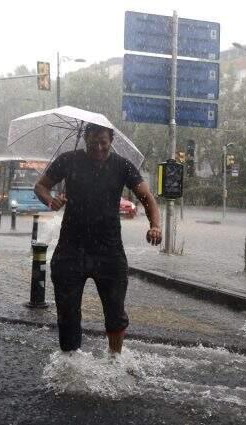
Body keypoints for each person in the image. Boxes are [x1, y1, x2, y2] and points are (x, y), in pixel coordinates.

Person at [34, 123, 162, 357]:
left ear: (111, 140)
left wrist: (155, 225)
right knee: (68, 313)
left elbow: (147, 198)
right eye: (94, 142)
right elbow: (40, 186)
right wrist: (50, 200)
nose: (99, 147)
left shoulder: (122, 165)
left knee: (115, 312)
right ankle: (70, 362)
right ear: (86, 139)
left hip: (109, 250)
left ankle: (115, 359)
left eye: (104, 142)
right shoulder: (68, 160)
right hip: (70, 249)